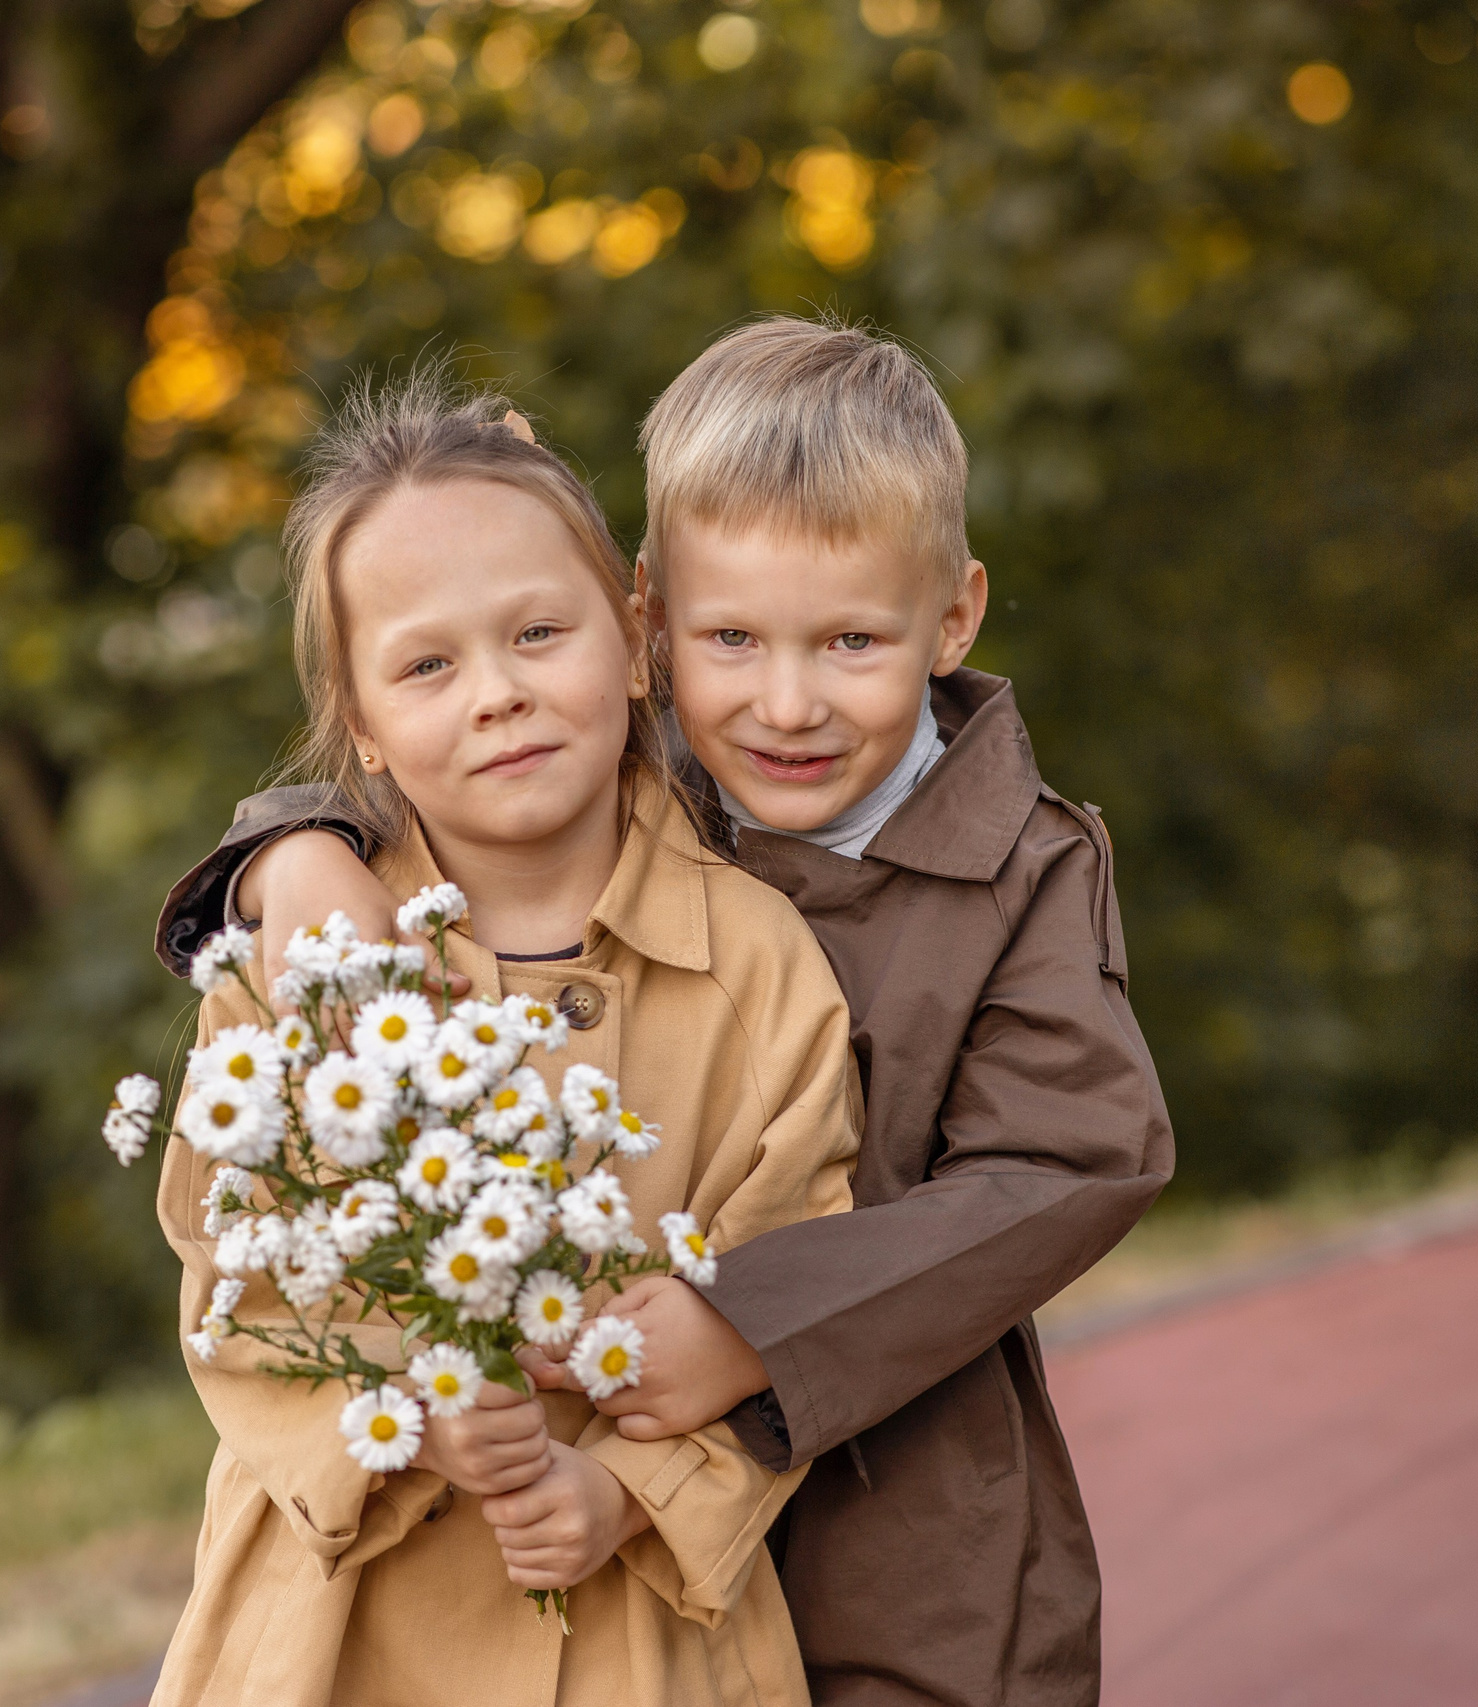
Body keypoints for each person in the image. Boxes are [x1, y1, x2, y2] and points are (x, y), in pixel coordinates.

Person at [157, 317, 1175, 1706]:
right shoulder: (606, 763)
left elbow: (1071, 1157)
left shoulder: (1021, 864)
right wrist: (288, 853)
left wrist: (747, 1325)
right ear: (650, 623)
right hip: (536, 1546)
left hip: (894, 1513)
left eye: (853, 641)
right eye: (732, 638)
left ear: (952, 617)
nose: (788, 701)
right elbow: (431, 719)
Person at [153, 368, 866, 1707]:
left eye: (540, 633)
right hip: (339, 1635)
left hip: (639, 1636)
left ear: (635, 633)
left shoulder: (759, 964)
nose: (497, 694)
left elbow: (803, 1293)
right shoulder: (311, 962)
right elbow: (227, 1285)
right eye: (427, 664)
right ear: (362, 723)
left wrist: (626, 1493)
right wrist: (412, 1420)